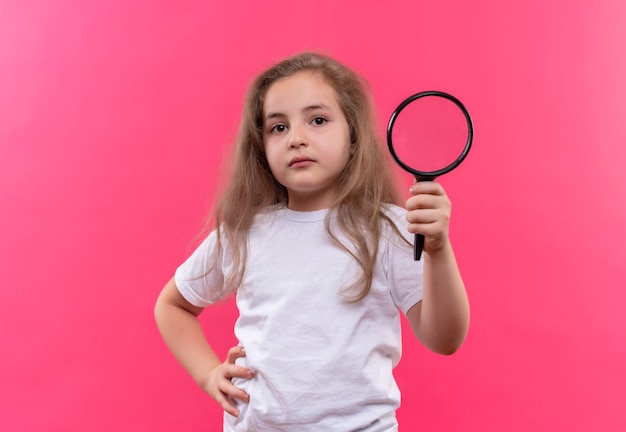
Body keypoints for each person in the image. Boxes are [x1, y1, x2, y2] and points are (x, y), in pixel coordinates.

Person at [154, 51, 469, 431]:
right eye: (278, 127)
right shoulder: (243, 232)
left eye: (317, 120)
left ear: (353, 136)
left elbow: (444, 338)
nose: (297, 139)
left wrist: (437, 250)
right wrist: (209, 375)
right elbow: (172, 306)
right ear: (261, 146)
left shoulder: (387, 229)